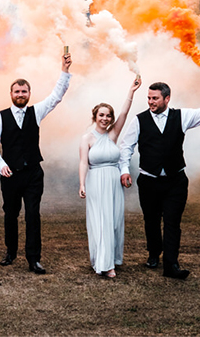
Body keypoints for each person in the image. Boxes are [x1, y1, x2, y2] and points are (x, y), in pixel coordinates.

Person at [119, 72, 200, 279]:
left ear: (167, 99)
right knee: (151, 220)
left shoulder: (181, 116)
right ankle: (154, 253)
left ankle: (171, 264)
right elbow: (126, 147)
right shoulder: (139, 120)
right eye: (148, 98)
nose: (150, 102)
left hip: (176, 181)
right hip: (149, 181)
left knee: (173, 222)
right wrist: (125, 170)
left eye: (155, 98)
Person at [0, 51, 72, 274]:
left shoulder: (37, 111)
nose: (21, 94)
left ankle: (34, 259)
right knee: (10, 213)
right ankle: (10, 252)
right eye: (17, 91)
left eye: (24, 91)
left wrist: (64, 71)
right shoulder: (0, 116)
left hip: (33, 173)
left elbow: (56, 96)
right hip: (10, 175)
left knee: (33, 214)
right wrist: (1, 165)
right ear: (11, 94)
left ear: (29, 93)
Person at [78, 76, 141, 278]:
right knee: (101, 220)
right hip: (96, 181)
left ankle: (111, 258)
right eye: (101, 115)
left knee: (114, 221)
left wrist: (131, 92)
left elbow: (124, 113)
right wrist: (81, 184)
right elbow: (82, 162)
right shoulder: (87, 138)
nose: (105, 118)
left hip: (114, 183)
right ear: (95, 117)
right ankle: (105, 265)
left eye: (108, 116)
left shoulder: (112, 135)